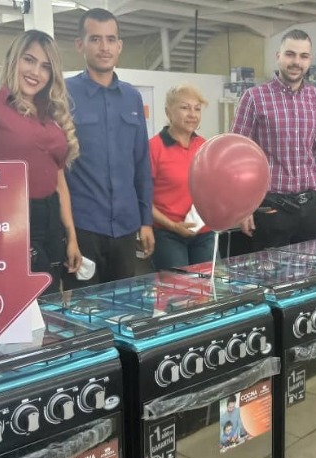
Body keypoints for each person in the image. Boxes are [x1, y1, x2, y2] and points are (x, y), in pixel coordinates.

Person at [0, 29, 82, 294]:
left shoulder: (51, 116)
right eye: (29, 60)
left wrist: (71, 235)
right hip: (8, 221)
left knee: (50, 302)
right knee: (21, 302)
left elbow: (59, 180)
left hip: (51, 221)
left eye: (45, 67)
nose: (36, 72)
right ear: (14, 59)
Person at [64, 8, 154, 288]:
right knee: (85, 307)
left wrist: (146, 221)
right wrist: (67, 233)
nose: (104, 47)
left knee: (126, 304)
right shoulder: (64, 94)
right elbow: (57, 167)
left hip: (127, 226)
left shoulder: (132, 97)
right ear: (80, 44)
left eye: (110, 39)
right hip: (84, 226)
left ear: (119, 46)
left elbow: (141, 162)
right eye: (95, 39)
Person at [231, 29, 316, 250]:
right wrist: (242, 207)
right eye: (290, 54)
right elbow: (237, 157)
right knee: (270, 271)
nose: (296, 62)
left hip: (312, 207)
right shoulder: (254, 98)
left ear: (309, 60)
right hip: (271, 207)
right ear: (278, 56)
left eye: (303, 56)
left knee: (315, 270)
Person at [149, 84, 214, 271]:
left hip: (204, 233)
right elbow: (142, 199)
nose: (192, 114)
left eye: (197, 109)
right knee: (178, 287)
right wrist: (172, 225)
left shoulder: (205, 146)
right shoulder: (154, 148)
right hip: (168, 234)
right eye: (185, 108)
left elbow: (213, 189)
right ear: (168, 112)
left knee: (209, 285)